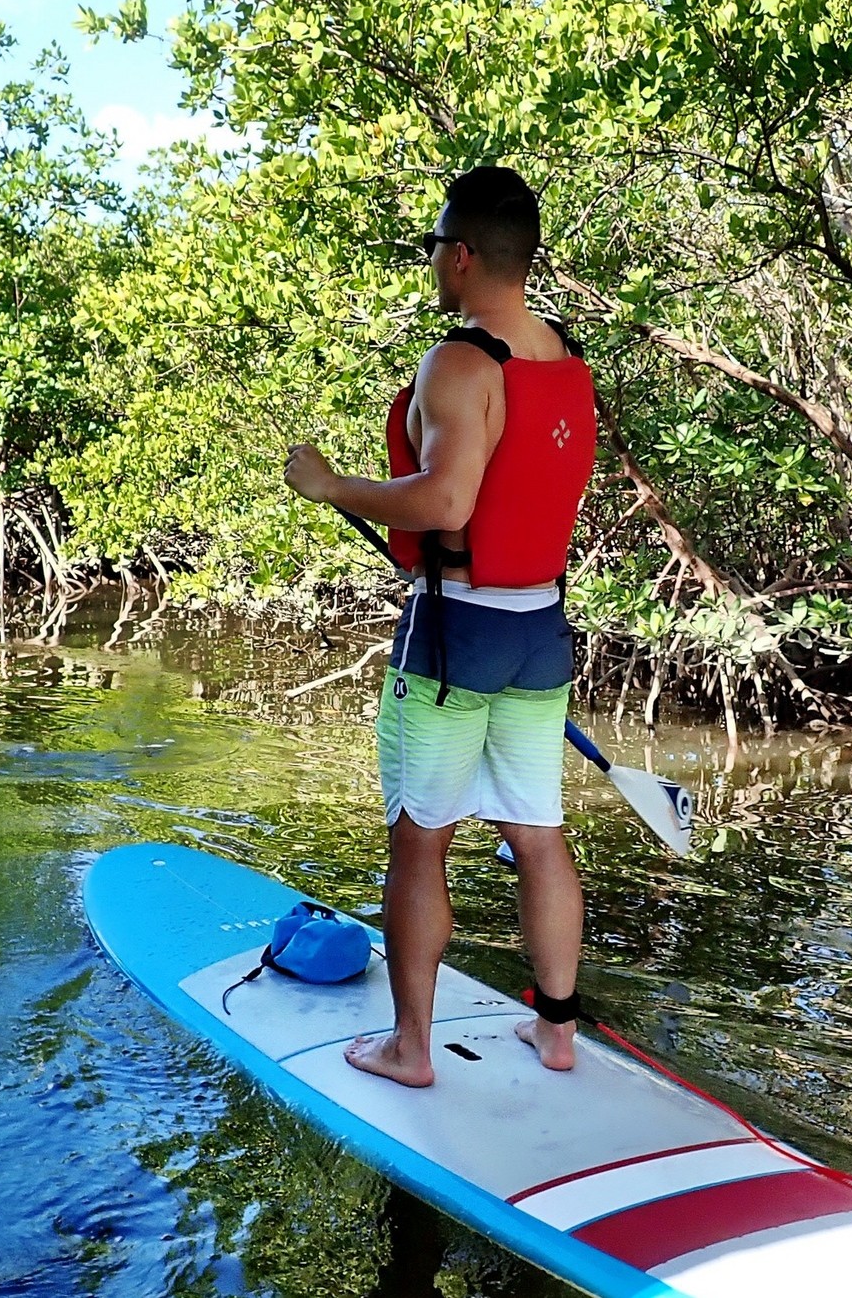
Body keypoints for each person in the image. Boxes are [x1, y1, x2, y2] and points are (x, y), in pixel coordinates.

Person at [283, 166, 599, 1088]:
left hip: (456, 636)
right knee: (537, 831)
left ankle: (410, 1047)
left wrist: (333, 484)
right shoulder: (565, 357)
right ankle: (556, 1029)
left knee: (421, 837)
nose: (433, 262)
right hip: (540, 631)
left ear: (461, 256)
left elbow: (448, 496)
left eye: (434, 248)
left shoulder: (460, 362)